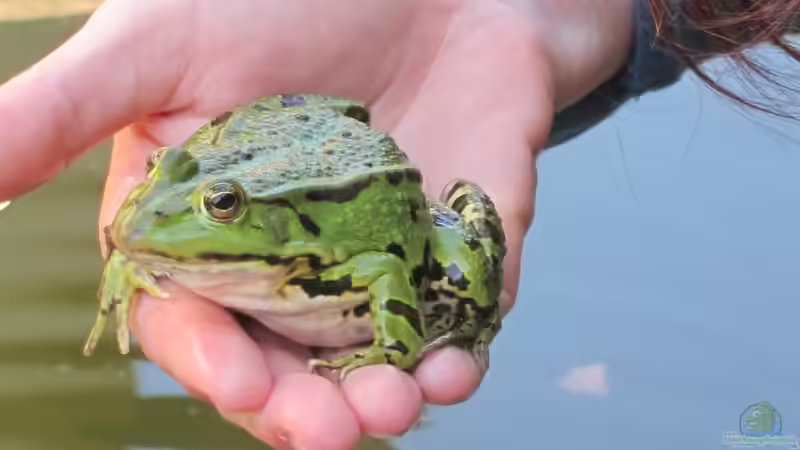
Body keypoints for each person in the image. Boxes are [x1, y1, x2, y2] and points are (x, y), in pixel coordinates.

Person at [0, 0, 796, 448]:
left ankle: (459, 330)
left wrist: (390, 345)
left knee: (454, 288)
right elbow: (147, 213)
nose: (150, 212)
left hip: (378, 198)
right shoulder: (163, 196)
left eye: (218, 207)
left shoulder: (329, 262)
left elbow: (385, 271)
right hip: (312, 145)